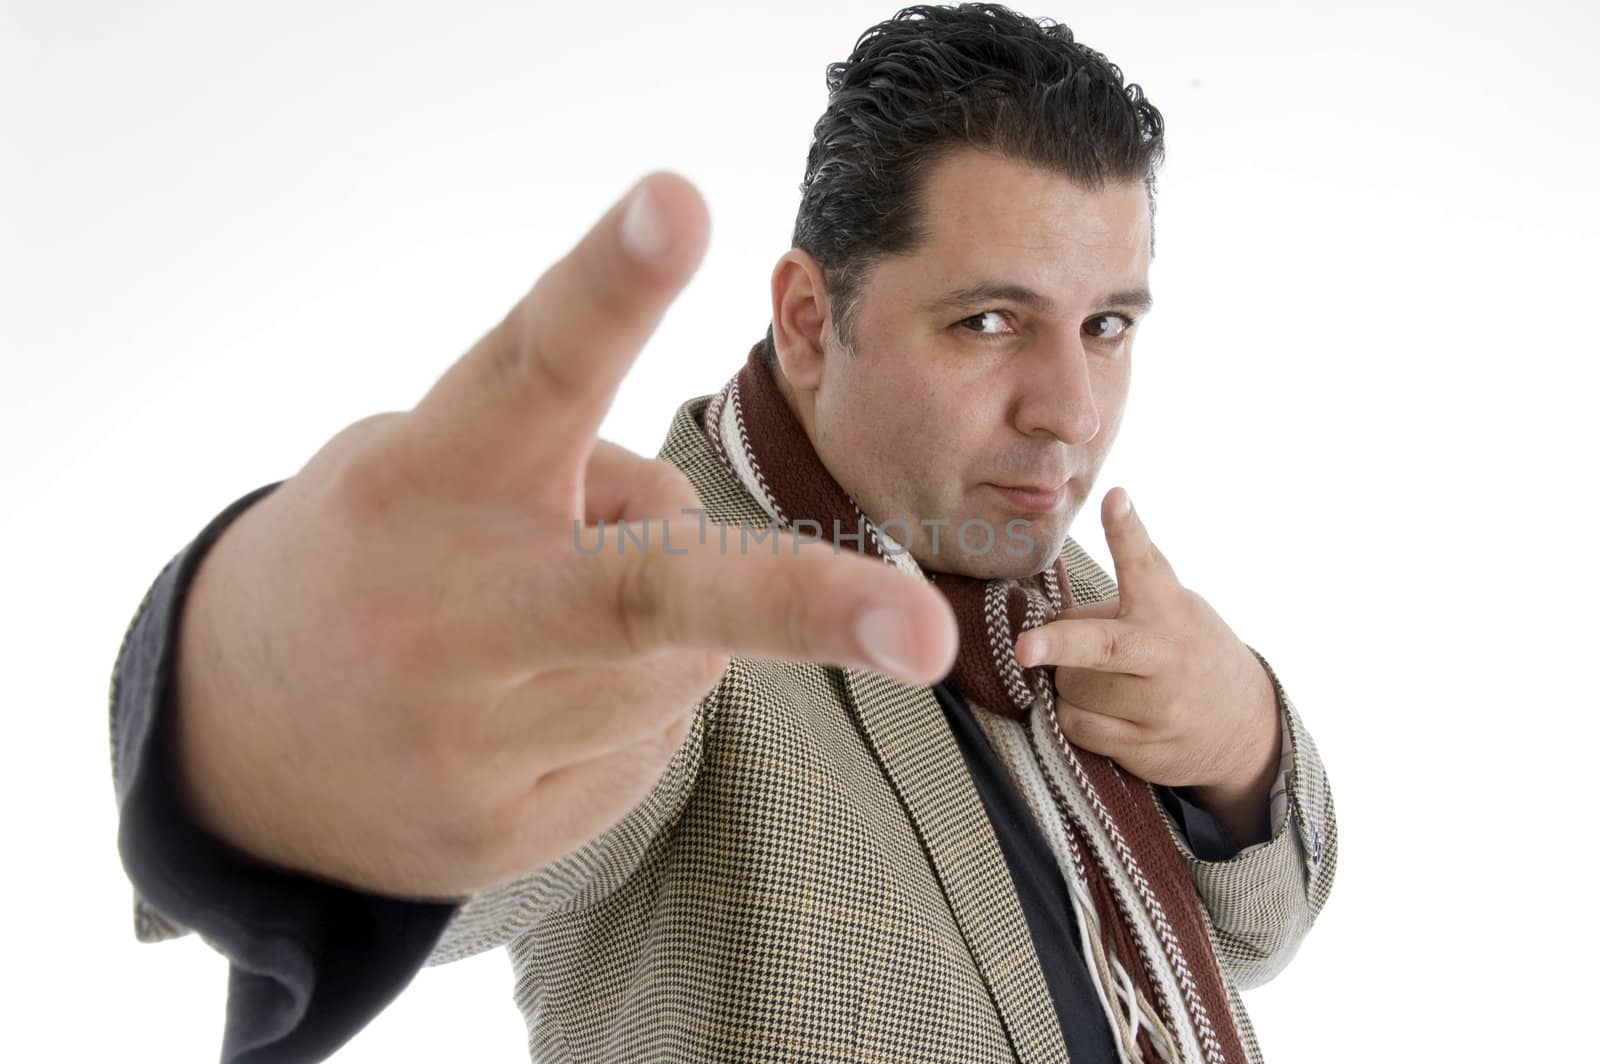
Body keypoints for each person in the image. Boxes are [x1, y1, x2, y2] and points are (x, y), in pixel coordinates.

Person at [110, 5, 1336, 1061]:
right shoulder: (668, 592)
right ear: (808, 320)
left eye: (1107, 326)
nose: (1070, 408)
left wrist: (1240, 744)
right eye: (986, 321)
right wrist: (271, 705)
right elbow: (427, 784)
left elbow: (1257, 929)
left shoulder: (1064, 589)